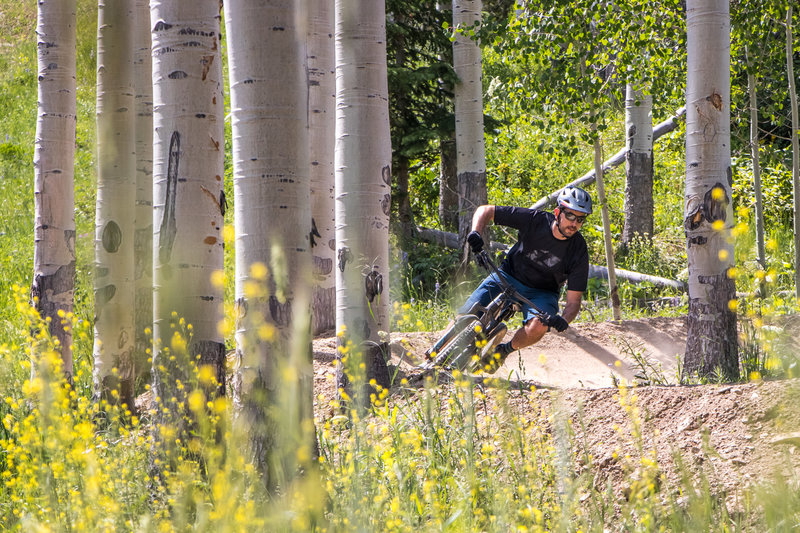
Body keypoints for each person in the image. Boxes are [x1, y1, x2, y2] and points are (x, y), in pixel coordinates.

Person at [460, 185, 592, 368]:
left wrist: (562, 320)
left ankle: (503, 351)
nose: (574, 223)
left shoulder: (579, 249)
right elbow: (485, 210)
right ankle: (436, 354)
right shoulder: (535, 220)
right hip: (508, 275)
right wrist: (475, 232)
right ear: (557, 212)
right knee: (462, 317)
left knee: (539, 325)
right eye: (570, 215)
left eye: (580, 219)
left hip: (542, 293)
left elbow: (573, 301)